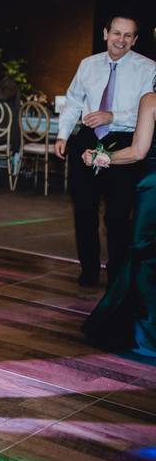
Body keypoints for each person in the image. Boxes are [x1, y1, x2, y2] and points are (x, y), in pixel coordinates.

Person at [55, 14, 156, 287]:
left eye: (127, 35)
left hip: (125, 142)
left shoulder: (148, 69)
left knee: (118, 215)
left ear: (135, 40)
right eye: (116, 33)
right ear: (105, 33)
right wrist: (63, 135)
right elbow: (74, 102)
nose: (120, 40)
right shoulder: (87, 65)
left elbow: (148, 113)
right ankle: (88, 270)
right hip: (87, 139)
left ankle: (116, 275)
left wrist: (113, 116)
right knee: (84, 211)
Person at [80, 82, 156, 356]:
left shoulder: (151, 99)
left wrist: (103, 156)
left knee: (144, 258)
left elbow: (138, 152)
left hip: (153, 191)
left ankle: (143, 334)